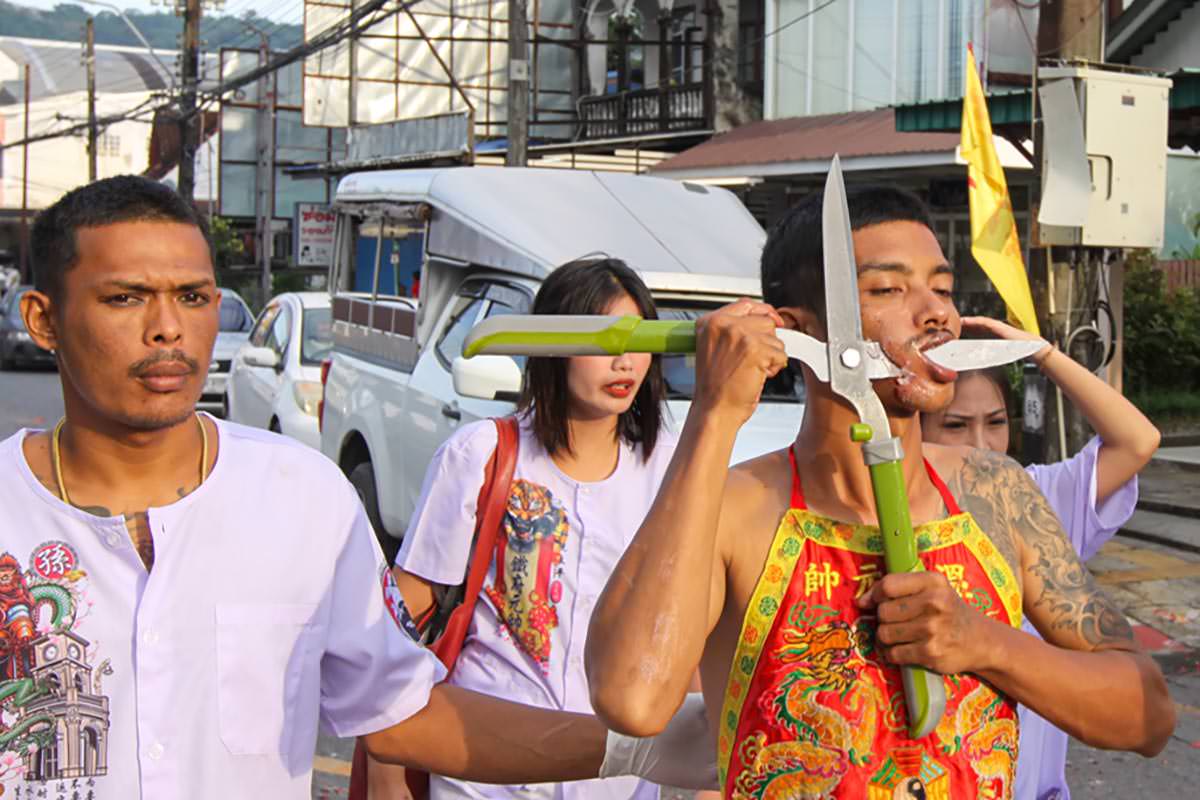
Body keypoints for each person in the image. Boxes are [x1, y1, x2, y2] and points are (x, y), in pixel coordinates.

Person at [0, 175, 715, 798]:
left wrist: (645, 748)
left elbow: (404, 710)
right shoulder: (12, 511)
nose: (168, 329)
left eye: (192, 297)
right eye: (125, 298)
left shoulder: (301, 498)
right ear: (43, 320)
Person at [584, 184, 1175, 799]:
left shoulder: (994, 491)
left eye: (942, 289)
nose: (936, 314)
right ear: (795, 330)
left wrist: (986, 643)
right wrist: (713, 413)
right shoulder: (736, 508)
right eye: (890, 289)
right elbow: (632, 699)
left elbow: (1148, 715)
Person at [363, 258, 687, 800]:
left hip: (619, 779)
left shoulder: (673, 469)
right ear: (549, 344)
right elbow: (404, 620)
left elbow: (690, 630)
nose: (623, 360)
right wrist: (387, 775)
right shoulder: (481, 455)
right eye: (602, 338)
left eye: (638, 339)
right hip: (483, 768)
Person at [922, 316, 1161, 800]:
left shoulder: (1032, 496)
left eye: (995, 423)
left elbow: (1137, 441)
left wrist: (1043, 354)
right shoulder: (882, 515)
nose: (980, 445)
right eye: (955, 426)